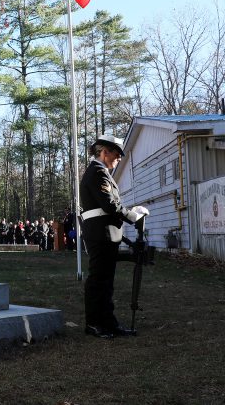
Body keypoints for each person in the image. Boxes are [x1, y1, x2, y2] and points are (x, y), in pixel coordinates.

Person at [80, 135, 148, 339]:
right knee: (98, 280)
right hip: (100, 234)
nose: (119, 158)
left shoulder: (101, 174)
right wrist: (132, 215)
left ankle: (108, 323)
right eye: (117, 154)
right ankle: (93, 323)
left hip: (106, 233)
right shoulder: (97, 173)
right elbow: (110, 205)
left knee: (106, 281)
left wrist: (129, 212)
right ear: (104, 152)